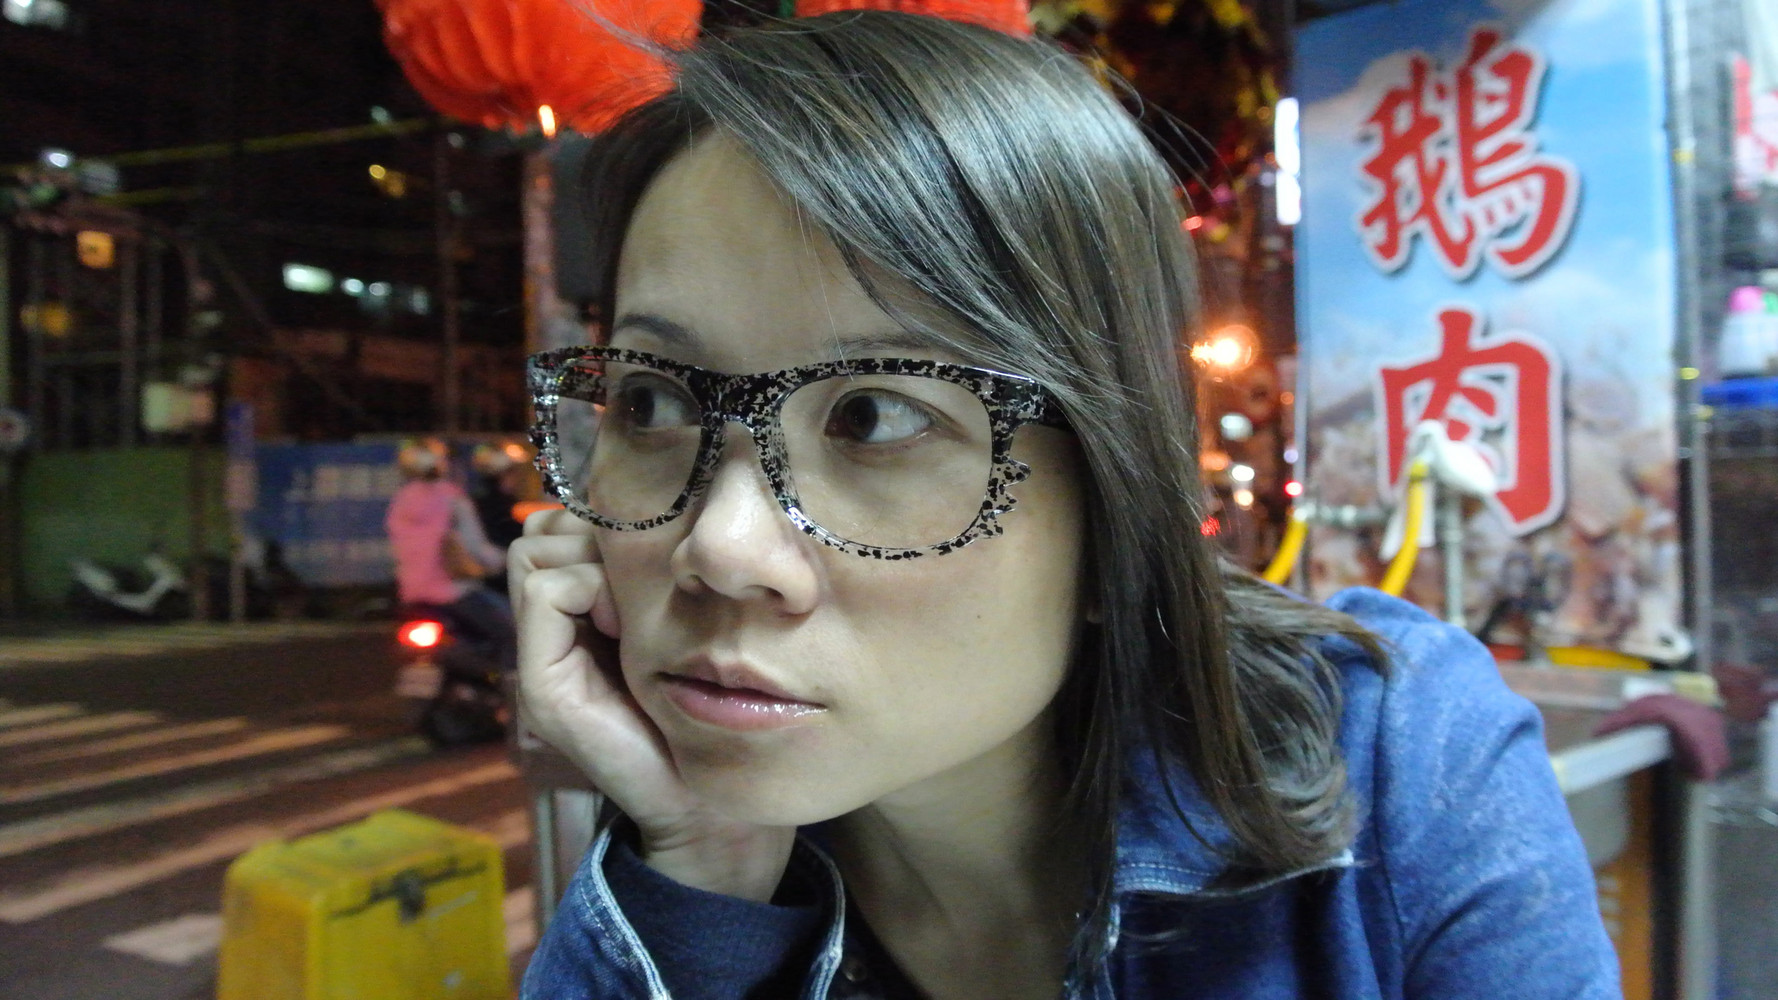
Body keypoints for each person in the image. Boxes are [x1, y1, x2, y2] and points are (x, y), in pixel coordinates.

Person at [509, 12, 1617, 1000]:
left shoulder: (1398, 763)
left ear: (1113, 508)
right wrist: (702, 867)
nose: (719, 548)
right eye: (652, 401)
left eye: (876, 418)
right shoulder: (697, 856)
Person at [385, 438, 515, 671]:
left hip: (412, 595)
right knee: (512, 633)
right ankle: (512, 689)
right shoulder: (451, 498)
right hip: (454, 593)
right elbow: (477, 548)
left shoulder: (400, 502)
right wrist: (507, 559)